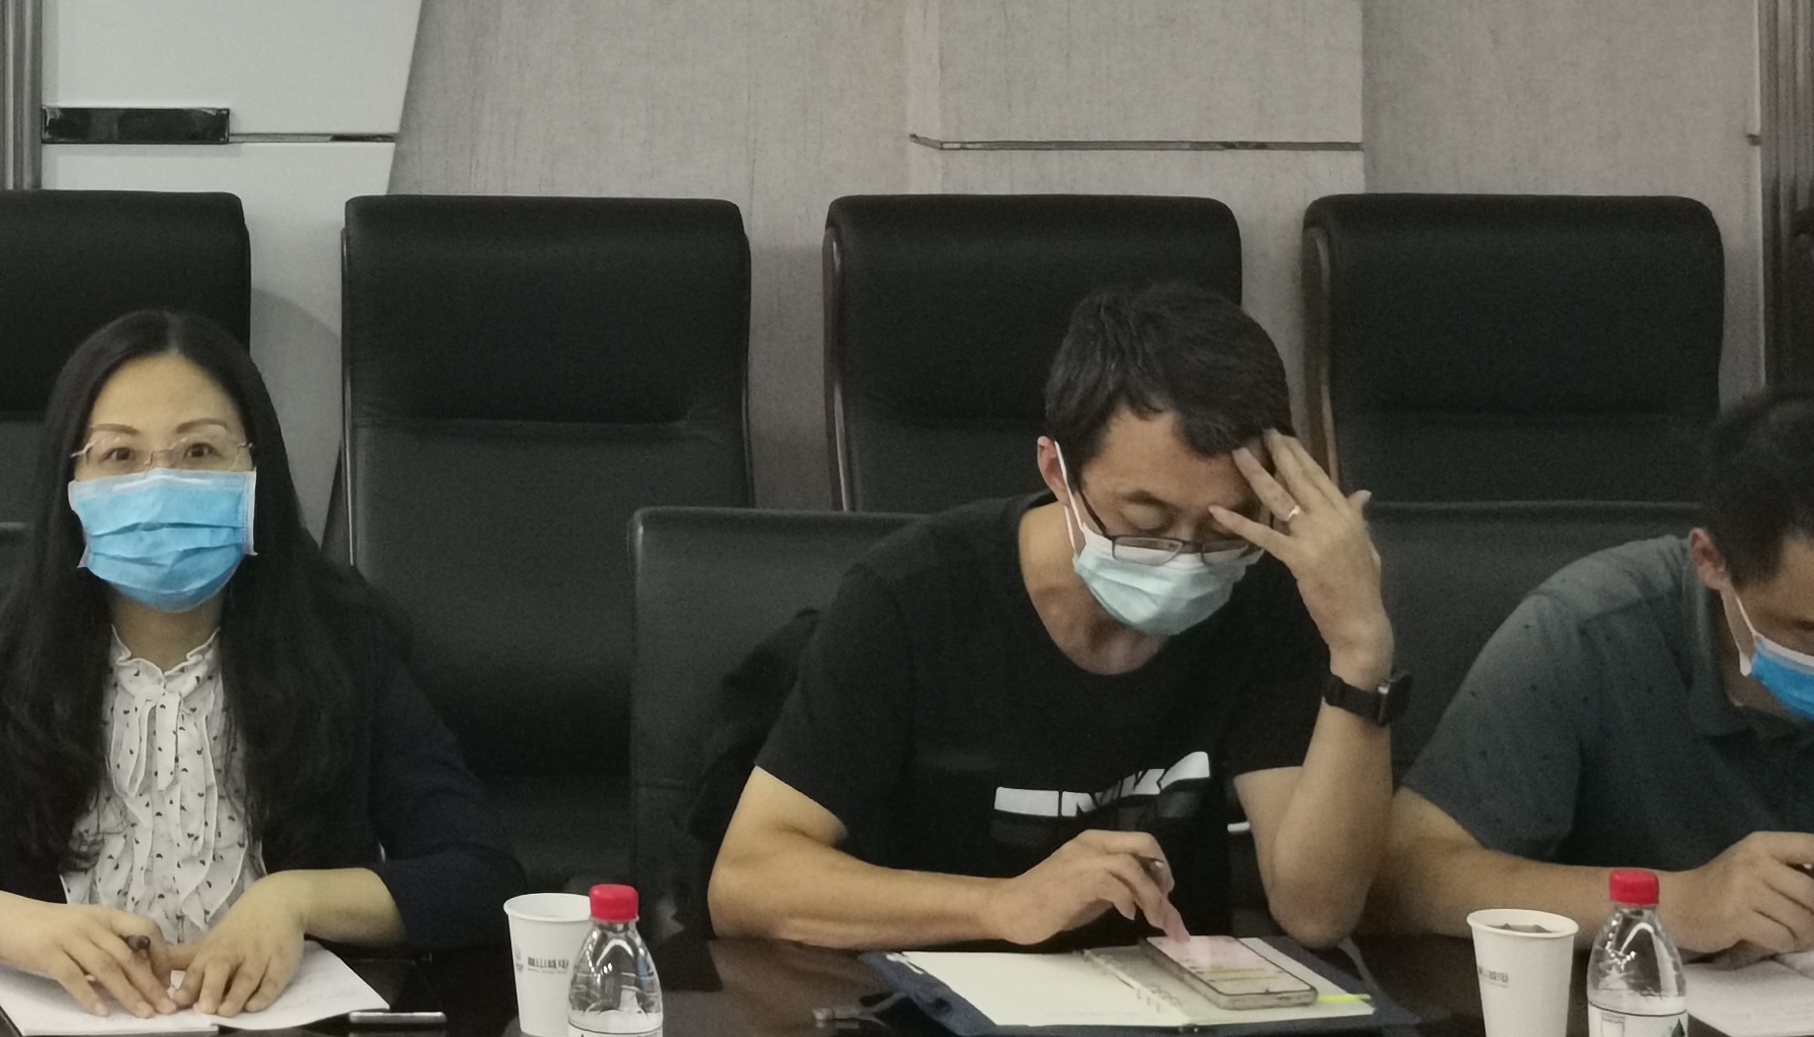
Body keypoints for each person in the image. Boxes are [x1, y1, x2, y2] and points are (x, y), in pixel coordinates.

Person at [0, 308, 515, 1017]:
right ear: (71, 485)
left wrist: (297, 901)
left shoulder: (342, 641)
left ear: (255, 469)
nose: (161, 484)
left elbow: (482, 878)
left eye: (200, 452)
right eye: (120, 456)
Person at [712, 280, 1403, 950]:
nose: (1187, 558)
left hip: (1165, 993)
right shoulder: (913, 597)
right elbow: (748, 881)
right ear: (1057, 472)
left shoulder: (1265, 595)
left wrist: (1360, 652)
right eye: (1146, 520)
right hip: (937, 989)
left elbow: (1317, 913)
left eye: (1228, 525)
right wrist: (1003, 905)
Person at [1375, 389, 1814, 951]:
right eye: (1808, 630)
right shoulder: (1588, 628)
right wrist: (1676, 903)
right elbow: (1406, 874)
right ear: (1712, 562)